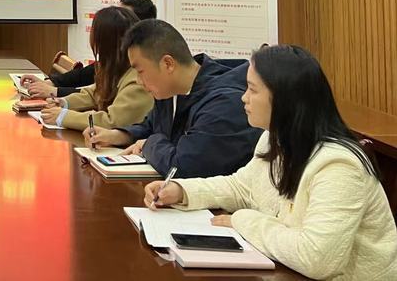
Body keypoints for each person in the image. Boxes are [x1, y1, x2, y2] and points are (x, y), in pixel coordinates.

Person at [146, 45, 397, 280]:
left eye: (253, 90)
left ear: (285, 98)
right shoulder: (274, 138)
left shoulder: (339, 166)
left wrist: (242, 221)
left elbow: (317, 258)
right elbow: (241, 187)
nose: (243, 98)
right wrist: (181, 191)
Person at [84, 19, 260, 178]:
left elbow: (184, 166)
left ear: (168, 64)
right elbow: (151, 126)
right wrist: (118, 135)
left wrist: (149, 144)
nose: (138, 80)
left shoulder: (225, 103)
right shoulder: (169, 91)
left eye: (140, 71)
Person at [39, 5, 152, 130]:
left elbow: (113, 121)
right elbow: (96, 93)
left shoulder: (138, 78)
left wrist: (63, 116)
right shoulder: (116, 66)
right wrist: (64, 103)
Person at [22, 0, 157, 98]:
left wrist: (55, 93)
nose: (115, 16)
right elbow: (90, 79)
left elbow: (105, 105)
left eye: (121, 15)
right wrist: (51, 83)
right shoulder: (116, 58)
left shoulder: (141, 65)